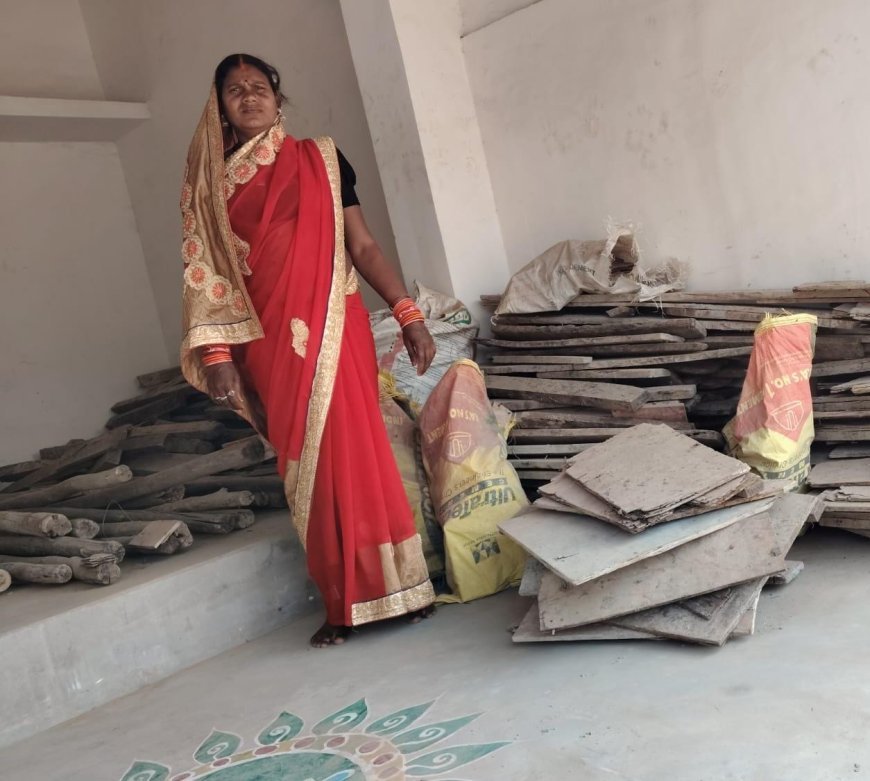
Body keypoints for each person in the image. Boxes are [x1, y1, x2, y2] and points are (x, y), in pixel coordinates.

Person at [178, 53, 437, 647]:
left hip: (333, 328)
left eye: (259, 86)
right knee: (307, 468)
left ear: (277, 97)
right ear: (219, 108)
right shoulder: (209, 188)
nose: (249, 97)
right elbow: (205, 274)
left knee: (358, 448)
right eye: (235, 90)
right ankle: (343, 602)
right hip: (268, 343)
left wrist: (409, 315)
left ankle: (403, 588)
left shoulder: (320, 159)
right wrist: (216, 358)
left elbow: (362, 246)